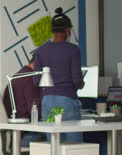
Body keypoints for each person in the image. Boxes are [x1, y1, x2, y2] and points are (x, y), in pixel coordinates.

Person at [33, 7, 84, 142]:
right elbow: (77, 80)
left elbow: (36, 80)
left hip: (48, 103)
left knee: (53, 144)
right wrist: (81, 84)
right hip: (67, 101)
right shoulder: (73, 50)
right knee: (74, 146)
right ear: (67, 30)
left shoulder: (40, 51)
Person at [3, 55, 44, 147]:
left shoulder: (19, 75)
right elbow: (35, 111)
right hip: (25, 136)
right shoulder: (31, 78)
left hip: (15, 135)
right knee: (60, 137)